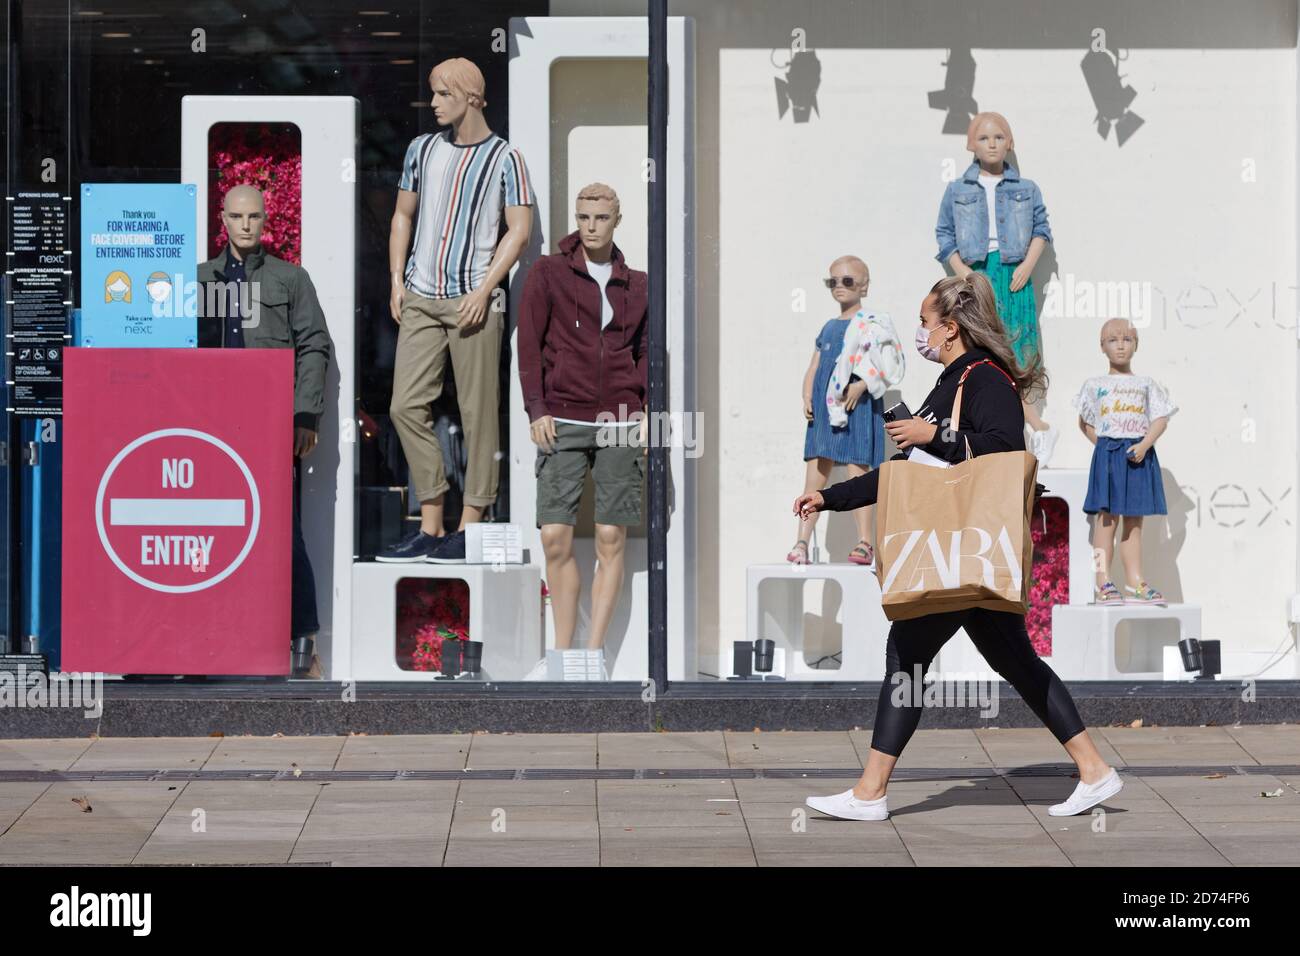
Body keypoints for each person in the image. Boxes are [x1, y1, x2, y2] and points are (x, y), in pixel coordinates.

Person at [794, 271, 1122, 820]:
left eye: (925, 323)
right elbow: (903, 475)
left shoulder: (984, 377)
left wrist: (936, 437)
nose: (919, 333)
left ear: (949, 328)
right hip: (964, 552)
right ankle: (1094, 770)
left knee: (909, 655)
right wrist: (828, 499)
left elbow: (1002, 449)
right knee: (1014, 661)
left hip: (962, 546)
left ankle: (871, 791)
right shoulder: (950, 381)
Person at [379, 57, 535, 563]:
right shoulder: (422, 149)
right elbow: (403, 214)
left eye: (442, 94)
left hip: (475, 297)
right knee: (404, 405)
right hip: (423, 293)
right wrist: (396, 278)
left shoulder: (505, 158)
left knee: (478, 412)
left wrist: (487, 287)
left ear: (469, 95)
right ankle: (431, 516)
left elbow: (519, 229)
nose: (434, 103)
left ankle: (471, 522)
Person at [197, 184, 333, 678]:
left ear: (265, 220)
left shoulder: (288, 280)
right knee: (207, 531)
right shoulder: (197, 280)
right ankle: (212, 638)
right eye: (238, 216)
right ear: (224, 220)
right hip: (207, 429)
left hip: (268, 427)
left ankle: (303, 644)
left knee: (282, 533)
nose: (247, 225)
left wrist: (304, 416)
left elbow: (315, 345)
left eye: (254, 216)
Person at [517, 183, 648, 677]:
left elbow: (646, 351)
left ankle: (592, 655)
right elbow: (528, 346)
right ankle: (563, 651)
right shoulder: (549, 273)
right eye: (583, 216)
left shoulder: (637, 284)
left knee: (612, 534)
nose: (591, 226)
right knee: (555, 534)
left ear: (617, 220)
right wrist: (536, 409)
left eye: (601, 217)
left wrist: (643, 408)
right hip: (562, 417)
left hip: (618, 418)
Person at [935, 111, 1059, 463]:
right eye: (984, 137)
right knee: (984, 352)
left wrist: (1027, 266)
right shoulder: (957, 189)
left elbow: (1041, 229)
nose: (992, 144)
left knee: (1018, 347)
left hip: (1013, 274)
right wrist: (964, 274)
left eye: (999, 137)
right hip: (976, 276)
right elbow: (944, 235)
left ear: (1010, 142)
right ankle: (1022, 426)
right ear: (971, 144)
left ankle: (1026, 427)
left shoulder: (1026, 188)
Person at [791, 255, 903, 566]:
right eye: (833, 281)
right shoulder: (828, 327)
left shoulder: (873, 324)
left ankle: (865, 541)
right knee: (815, 476)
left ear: (864, 286)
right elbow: (814, 365)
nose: (839, 287)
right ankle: (801, 541)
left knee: (858, 471)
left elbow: (887, 363)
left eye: (847, 281)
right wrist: (806, 394)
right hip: (825, 411)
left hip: (857, 407)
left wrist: (862, 385)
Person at [1075, 317, 1177, 606]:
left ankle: (1135, 581)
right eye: (1113, 340)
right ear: (1102, 346)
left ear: (1136, 344)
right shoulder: (1094, 384)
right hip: (1109, 458)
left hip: (1138, 458)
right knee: (1105, 523)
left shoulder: (1146, 384)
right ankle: (1102, 581)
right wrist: (1104, 449)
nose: (1120, 346)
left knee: (1134, 524)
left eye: (1127, 339)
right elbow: (1084, 422)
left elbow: (1160, 419)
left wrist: (1144, 444)